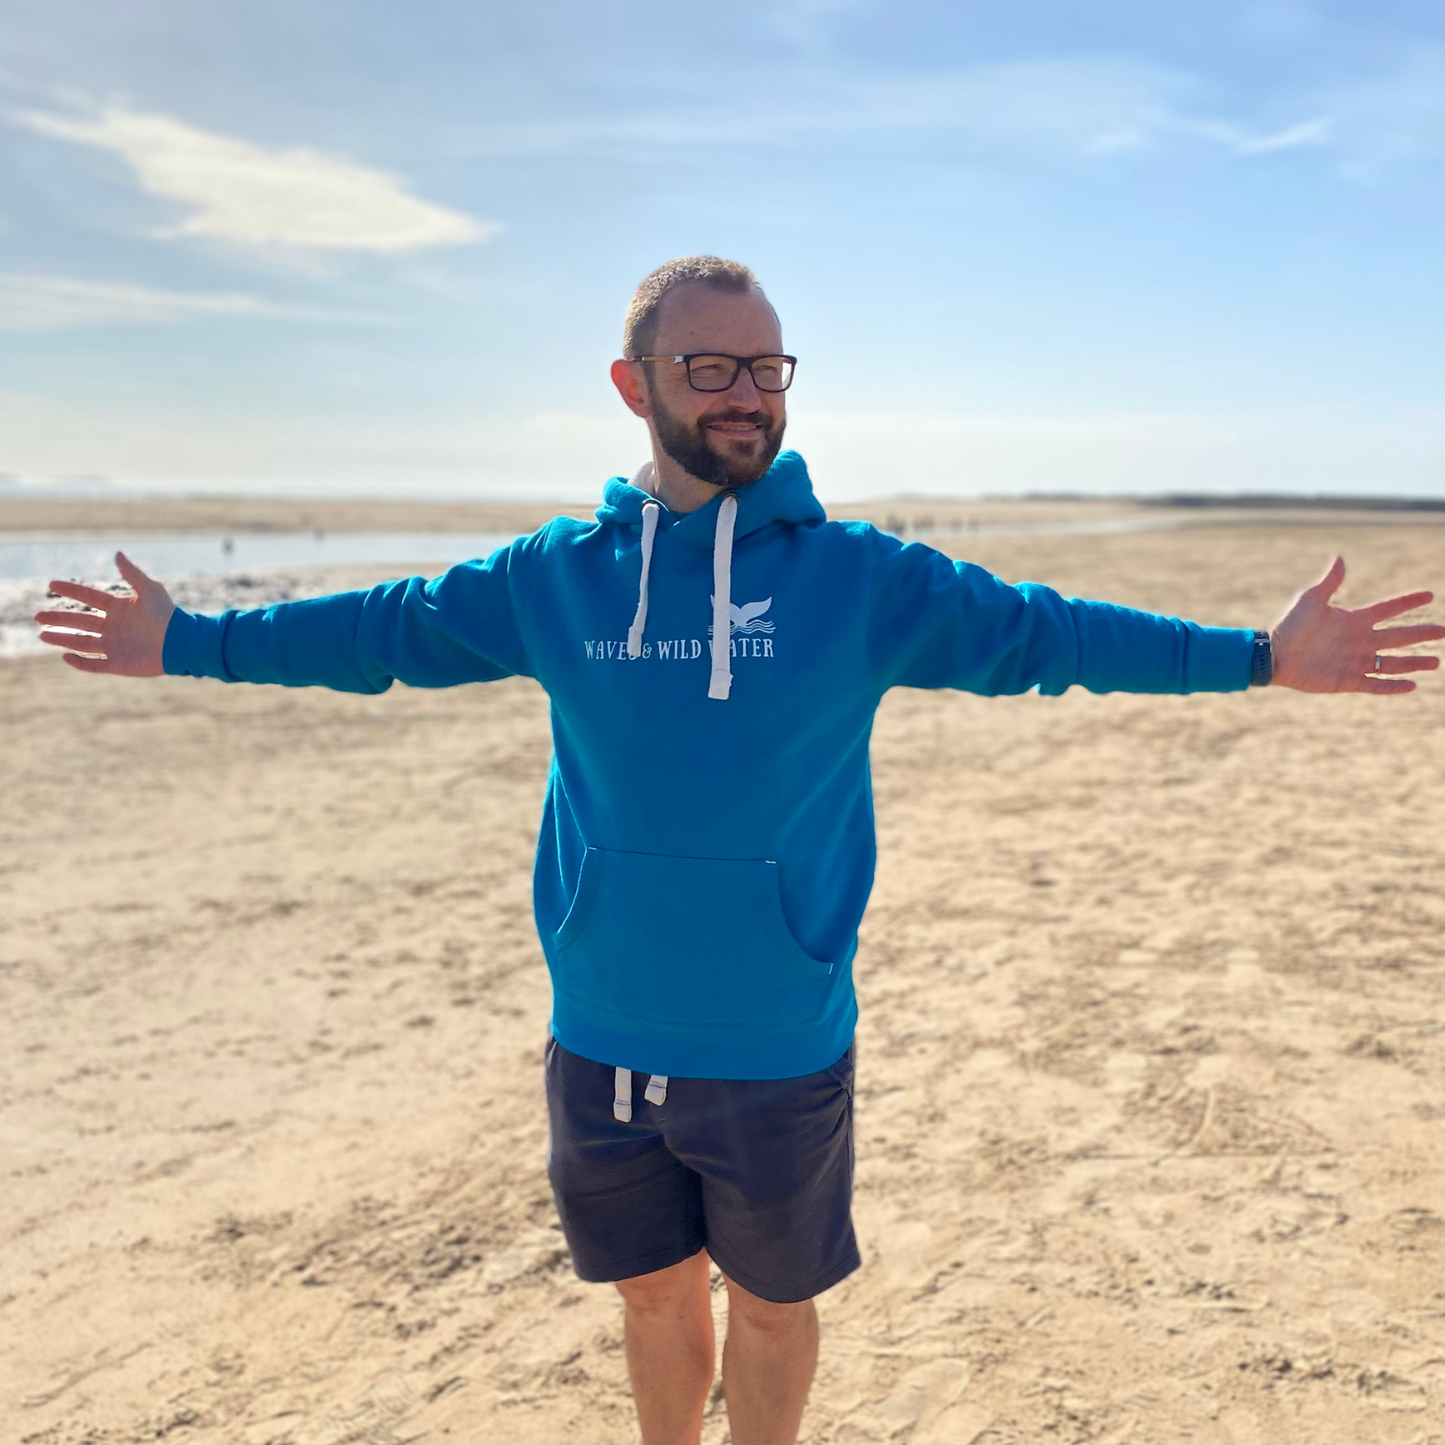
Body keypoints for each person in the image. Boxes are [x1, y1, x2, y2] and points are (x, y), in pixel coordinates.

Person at [34, 255, 1443, 1445]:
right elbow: (375, 633)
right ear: (632, 383)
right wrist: (188, 640)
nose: (747, 394)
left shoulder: (861, 580)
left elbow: (1052, 636)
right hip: (600, 1032)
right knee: (652, 1296)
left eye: (768, 370)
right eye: (711, 368)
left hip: (775, 1038)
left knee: (771, 1301)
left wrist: (1256, 658)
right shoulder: (555, 577)